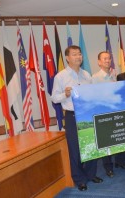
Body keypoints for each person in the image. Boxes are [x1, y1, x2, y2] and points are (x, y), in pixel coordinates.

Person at [51, 45, 103, 191]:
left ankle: (91, 174)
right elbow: (54, 98)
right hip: (72, 116)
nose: (78, 57)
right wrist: (65, 95)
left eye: (80, 54)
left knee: (92, 145)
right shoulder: (60, 76)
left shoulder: (86, 74)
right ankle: (79, 179)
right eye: (74, 54)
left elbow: (92, 94)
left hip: (87, 114)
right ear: (67, 58)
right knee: (76, 149)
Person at [92, 51, 125, 177]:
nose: (108, 60)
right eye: (104, 59)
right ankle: (108, 167)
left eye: (109, 58)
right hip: (104, 112)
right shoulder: (95, 77)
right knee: (107, 141)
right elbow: (95, 97)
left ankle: (120, 162)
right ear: (99, 62)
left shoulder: (114, 74)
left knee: (119, 137)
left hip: (117, 110)